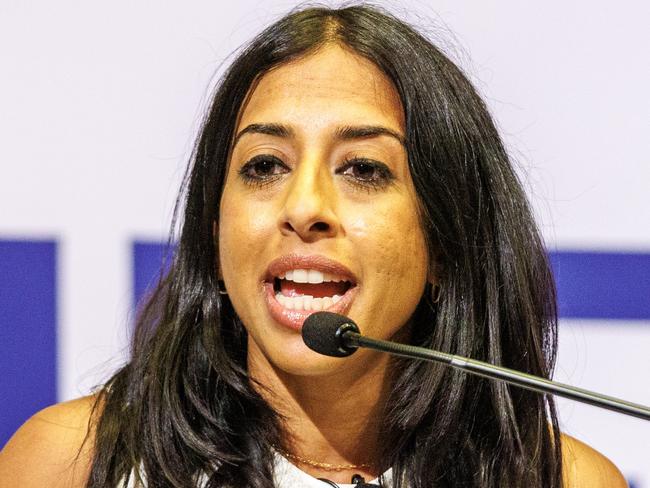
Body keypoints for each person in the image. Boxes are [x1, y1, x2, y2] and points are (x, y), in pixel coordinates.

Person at [0, 5, 627, 488]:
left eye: (363, 170)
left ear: (447, 240)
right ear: (215, 228)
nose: (303, 208)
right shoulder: (73, 462)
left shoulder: (559, 479)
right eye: (264, 165)